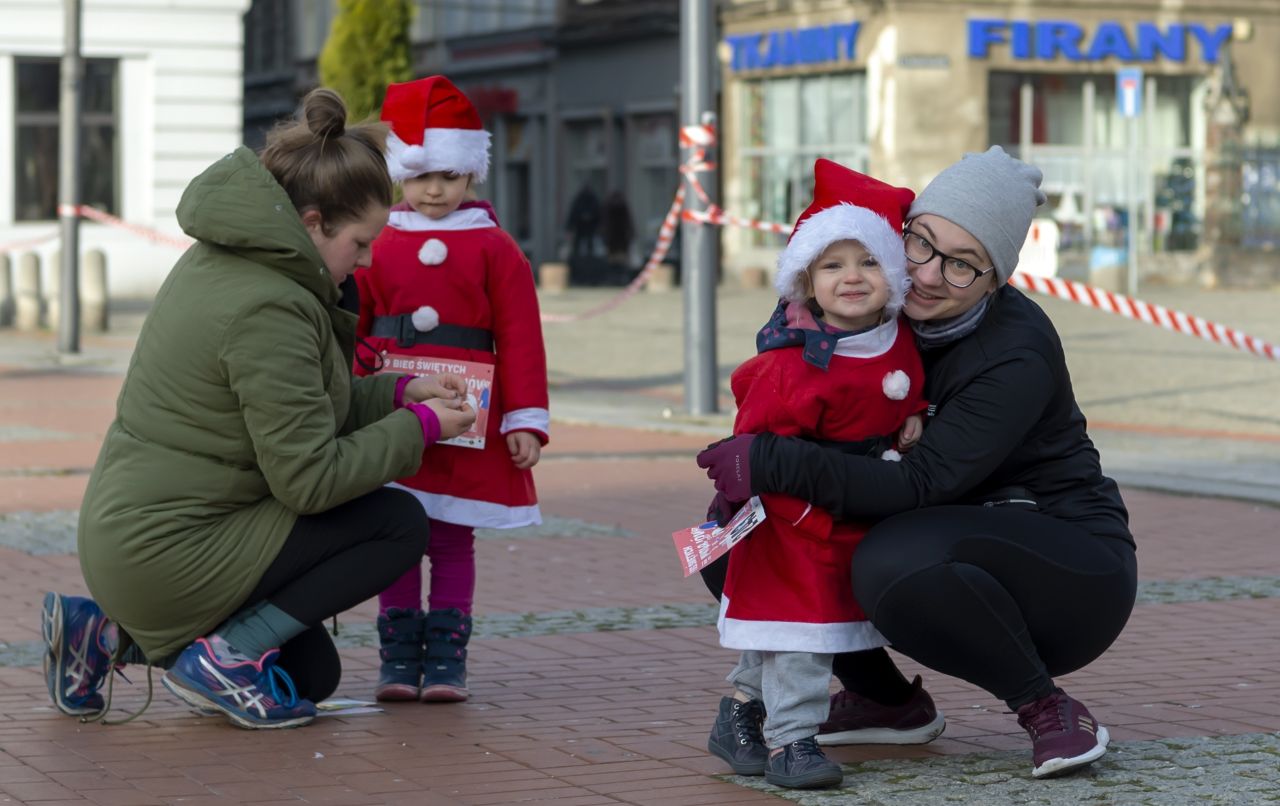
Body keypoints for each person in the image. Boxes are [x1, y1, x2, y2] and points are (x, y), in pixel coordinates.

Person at [40, 87, 476, 731]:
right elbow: (311, 480)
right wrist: (423, 428)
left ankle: (101, 636)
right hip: (170, 551)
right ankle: (228, 655)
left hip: (145, 537)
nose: (366, 259)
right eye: (359, 242)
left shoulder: (236, 260)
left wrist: (396, 391)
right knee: (397, 524)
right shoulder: (270, 306)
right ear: (310, 223)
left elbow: (300, 408)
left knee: (310, 676)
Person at [698, 146, 1137, 780]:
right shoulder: (873, 295)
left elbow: (918, 483)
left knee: (893, 557)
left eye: (963, 265)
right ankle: (884, 699)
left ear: (997, 280)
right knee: (739, 539)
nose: (929, 275)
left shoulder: (1016, 352)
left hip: (1065, 563)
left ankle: (1049, 709)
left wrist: (772, 460)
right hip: (944, 523)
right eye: (921, 244)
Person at [705, 161, 926, 790]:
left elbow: (900, 392)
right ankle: (792, 743)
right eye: (833, 266)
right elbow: (756, 448)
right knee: (801, 636)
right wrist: (795, 512)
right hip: (795, 521)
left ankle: (739, 716)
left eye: (869, 262)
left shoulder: (897, 339)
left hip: (859, 510)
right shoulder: (790, 368)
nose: (853, 278)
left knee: (780, 632)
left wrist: (914, 418)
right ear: (805, 282)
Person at [353, 76, 549, 704]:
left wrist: (524, 419)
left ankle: (445, 661)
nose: (433, 189)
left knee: (451, 534)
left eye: (447, 175)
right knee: (395, 526)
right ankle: (397, 655)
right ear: (398, 175)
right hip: (391, 400)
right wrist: (355, 386)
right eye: (419, 176)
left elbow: (520, 336)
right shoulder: (376, 240)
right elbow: (353, 321)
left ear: (471, 174)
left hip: (469, 412)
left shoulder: (497, 248)